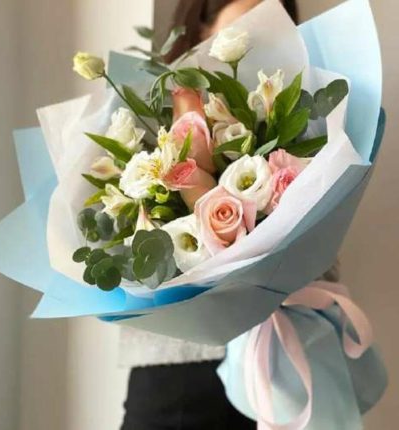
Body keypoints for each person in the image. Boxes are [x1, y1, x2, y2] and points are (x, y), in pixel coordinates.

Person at [120, 1, 300, 429]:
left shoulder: (305, 118)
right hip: (177, 371)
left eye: (275, 30)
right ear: (201, 31)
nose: (257, 47)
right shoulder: (147, 119)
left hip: (280, 362)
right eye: (246, 30)